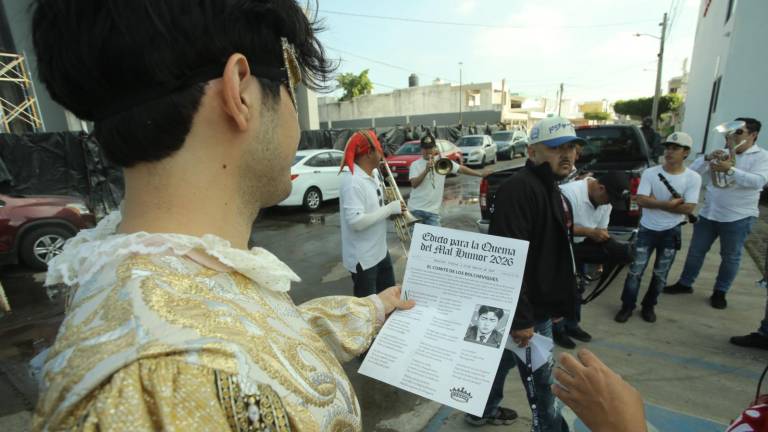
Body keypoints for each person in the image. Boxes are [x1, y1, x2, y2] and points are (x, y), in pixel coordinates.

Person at [29, 2, 415, 431]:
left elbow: (253, 342)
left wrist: (375, 308)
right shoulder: (163, 385)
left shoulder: (165, 276)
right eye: (291, 90)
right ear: (240, 91)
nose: (296, 120)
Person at [470, 116, 583, 430]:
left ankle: (480, 408)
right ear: (532, 152)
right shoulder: (519, 190)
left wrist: (560, 302)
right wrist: (520, 320)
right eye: (556, 147)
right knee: (543, 383)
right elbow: (504, 259)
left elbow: (550, 254)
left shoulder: (551, 189)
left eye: (572, 147)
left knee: (499, 359)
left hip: (534, 306)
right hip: (522, 311)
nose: (567, 154)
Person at [665, 118, 768, 310]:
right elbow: (691, 173)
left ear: (753, 135)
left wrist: (730, 169)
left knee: (730, 257)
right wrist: (705, 159)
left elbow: (758, 182)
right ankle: (685, 283)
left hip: (738, 216)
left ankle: (720, 292)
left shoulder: (761, 156)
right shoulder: (722, 153)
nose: (731, 136)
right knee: (696, 252)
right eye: (731, 132)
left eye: (739, 132)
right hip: (710, 213)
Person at [616, 132, 701, 323]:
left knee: (661, 274)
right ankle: (627, 306)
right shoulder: (650, 173)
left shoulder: (693, 178)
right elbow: (641, 200)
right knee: (635, 271)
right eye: (668, 147)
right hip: (647, 229)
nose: (669, 152)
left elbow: (689, 207)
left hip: (672, 231)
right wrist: (669, 205)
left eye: (675, 148)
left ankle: (649, 306)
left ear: (686, 152)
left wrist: (656, 202)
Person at [553, 172, 633, 349]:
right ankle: (557, 329)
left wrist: (600, 259)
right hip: (557, 246)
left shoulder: (606, 200)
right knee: (559, 291)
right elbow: (555, 228)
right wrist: (590, 232)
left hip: (580, 246)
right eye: (609, 199)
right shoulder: (568, 194)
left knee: (578, 287)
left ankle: (572, 325)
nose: (609, 203)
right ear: (601, 187)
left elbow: (601, 229)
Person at [339, 130, 406, 298]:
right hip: (364, 259)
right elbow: (356, 222)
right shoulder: (353, 181)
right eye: (379, 148)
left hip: (380, 251)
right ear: (369, 152)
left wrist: (391, 211)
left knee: (390, 299)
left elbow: (376, 208)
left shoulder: (374, 174)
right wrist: (389, 209)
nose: (382, 153)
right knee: (369, 311)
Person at [408, 132, 487, 226]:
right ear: (421, 149)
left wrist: (480, 174)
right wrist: (426, 171)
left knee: (436, 239)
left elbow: (460, 169)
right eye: (425, 148)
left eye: (430, 148)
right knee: (416, 240)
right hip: (416, 210)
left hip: (433, 212)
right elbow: (414, 184)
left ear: (434, 148)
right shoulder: (415, 165)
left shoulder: (442, 161)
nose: (428, 151)